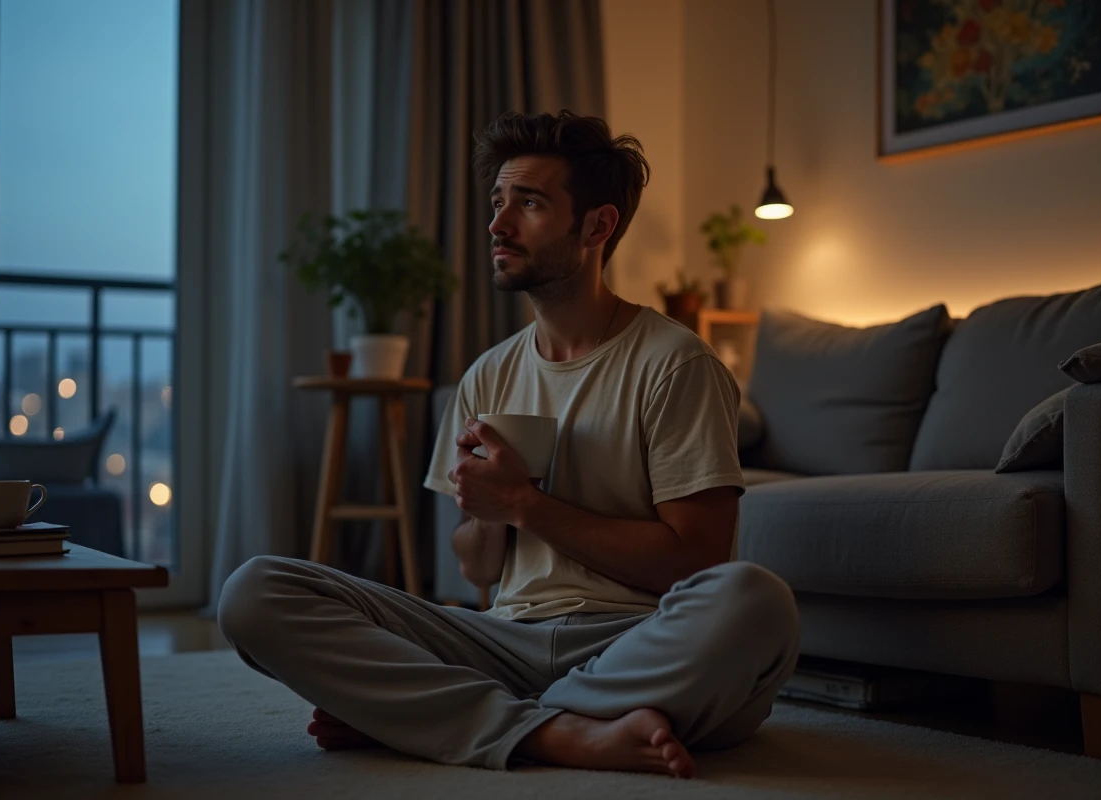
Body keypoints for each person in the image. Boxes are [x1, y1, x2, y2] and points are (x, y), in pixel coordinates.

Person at [218, 110, 799, 779]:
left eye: (528, 203)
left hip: (637, 642)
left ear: (597, 226)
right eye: (497, 202)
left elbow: (693, 562)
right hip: (501, 638)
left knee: (757, 602)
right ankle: (559, 731)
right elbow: (476, 571)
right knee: (255, 590)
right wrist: (487, 512)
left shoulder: (675, 364)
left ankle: (450, 716)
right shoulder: (488, 375)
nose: (498, 225)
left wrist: (527, 506)